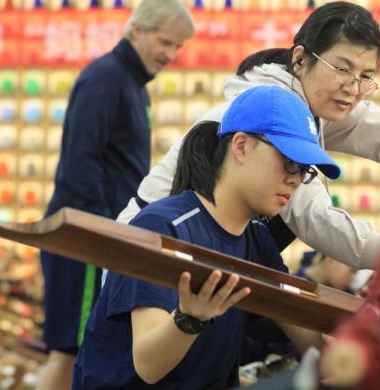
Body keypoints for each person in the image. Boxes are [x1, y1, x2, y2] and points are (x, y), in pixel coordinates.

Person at [117, 1, 380, 283]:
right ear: (300, 58)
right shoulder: (276, 109)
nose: (353, 88)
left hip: (201, 262)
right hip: (155, 252)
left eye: (366, 77)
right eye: (342, 69)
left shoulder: (311, 102)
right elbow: (316, 219)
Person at [72, 85, 340, 388]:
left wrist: (354, 355)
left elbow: (295, 322)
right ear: (240, 146)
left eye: (305, 170)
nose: (295, 179)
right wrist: (189, 318)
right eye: (289, 161)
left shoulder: (256, 240)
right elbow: (147, 365)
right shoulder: (163, 226)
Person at [37, 1, 194, 389]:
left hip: (98, 234)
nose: (170, 55)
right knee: (68, 351)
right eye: (165, 42)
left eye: (177, 47)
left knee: (75, 351)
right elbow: (80, 165)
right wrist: (105, 232)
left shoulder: (130, 83)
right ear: (137, 30)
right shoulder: (107, 78)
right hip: (87, 238)